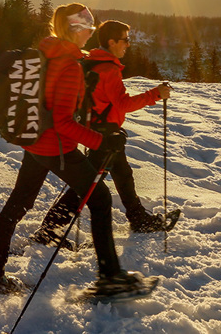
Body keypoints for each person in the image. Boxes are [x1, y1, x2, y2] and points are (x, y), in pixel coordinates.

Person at [0, 3, 146, 296]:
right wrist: (103, 141)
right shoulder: (69, 66)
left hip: (35, 143)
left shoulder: (49, 55)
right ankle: (110, 277)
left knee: (18, 204)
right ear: (77, 30)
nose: (91, 33)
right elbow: (64, 122)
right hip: (56, 147)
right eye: (87, 27)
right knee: (100, 197)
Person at [33, 20, 175, 238]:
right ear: (112, 42)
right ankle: (49, 229)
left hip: (97, 130)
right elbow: (123, 104)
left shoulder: (90, 62)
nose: (128, 44)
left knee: (121, 174)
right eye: (125, 40)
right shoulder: (109, 69)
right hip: (104, 135)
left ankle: (137, 217)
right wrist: (155, 94)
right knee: (88, 184)